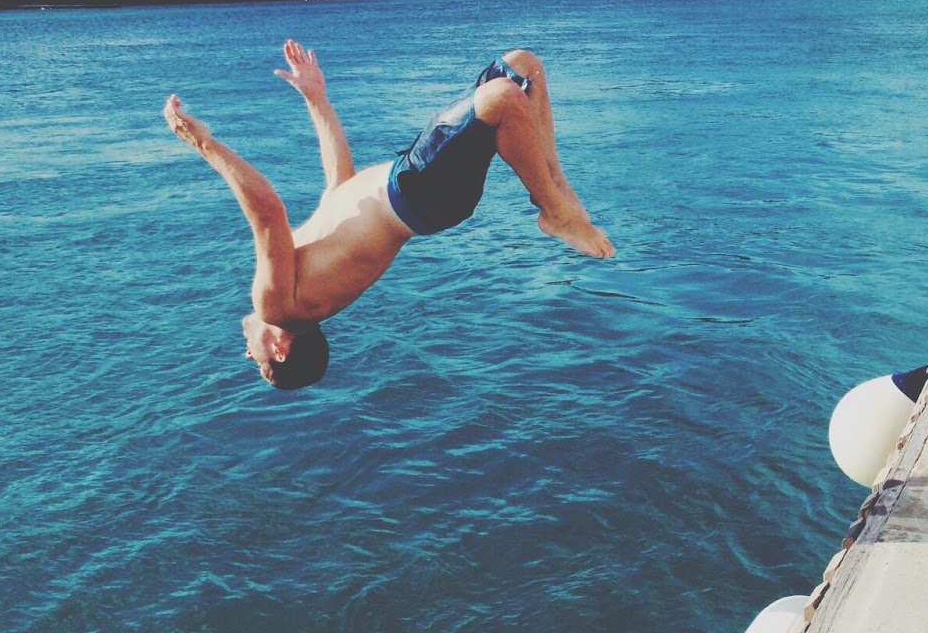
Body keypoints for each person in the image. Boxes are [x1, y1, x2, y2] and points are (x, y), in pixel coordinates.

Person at [163, 39, 614, 389]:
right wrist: (204, 143)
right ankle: (554, 211)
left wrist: (316, 99)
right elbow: (266, 212)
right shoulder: (277, 307)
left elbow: (340, 182)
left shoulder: (307, 284)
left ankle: (558, 190)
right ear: (279, 351)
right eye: (256, 362)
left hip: (418, 187)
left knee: (522, 66)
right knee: (501, 96)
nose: (247, 353)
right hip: (417, 192)